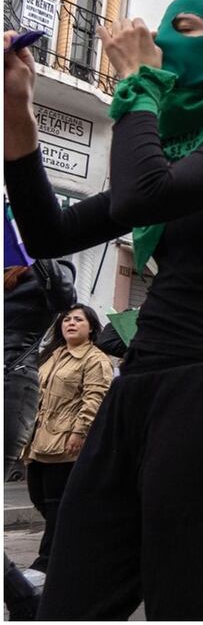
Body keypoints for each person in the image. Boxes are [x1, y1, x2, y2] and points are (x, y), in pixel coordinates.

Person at [4, 0, 203, 617]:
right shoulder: (167, 149)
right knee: (72, 594)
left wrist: (138, 83)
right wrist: (17, 114)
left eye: (185, 28)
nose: (161, 40)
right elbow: (48, 234)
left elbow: (145, 195)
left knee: (185, 600)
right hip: (142, 380)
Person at [3, 259, 75, 620]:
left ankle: (24, 599)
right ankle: (23, 600)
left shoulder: (49, 268)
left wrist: (37, 251)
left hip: (10, 387)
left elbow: (65, 297)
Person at [23, 303, 112, 573]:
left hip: (67, 442)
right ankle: (76, 545)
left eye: (78, 320)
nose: (71, 323)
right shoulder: (52, 354)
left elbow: (95, 398)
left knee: (56, 504)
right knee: (39, 498)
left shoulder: (95, 359)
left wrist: (79, 432)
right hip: (38, 440)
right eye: (66, 319)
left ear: (91, 327)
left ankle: (46, 564)